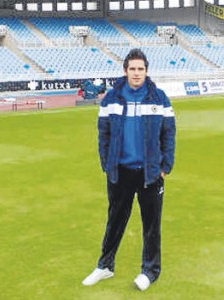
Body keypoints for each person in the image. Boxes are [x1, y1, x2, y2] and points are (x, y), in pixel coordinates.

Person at [82, 48, 176, 291]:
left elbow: (169, 134)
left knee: (151, 225)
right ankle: (105, 266)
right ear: (125, 71)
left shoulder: (159, 98)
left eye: (140, 69)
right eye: (132, 69)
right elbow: (103, 134)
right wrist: (106, 163)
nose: (136, 73)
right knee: (115, 221)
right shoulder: (111, 98)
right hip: (120, 172)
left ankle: (150, 271)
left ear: (146, 71)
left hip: (150, 174)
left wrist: (165, 166)